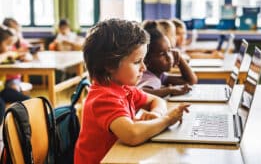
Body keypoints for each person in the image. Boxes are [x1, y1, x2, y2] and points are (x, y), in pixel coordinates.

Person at [74, 19, 190, 163]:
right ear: (110, 65)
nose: (144, 68)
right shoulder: (103, 97)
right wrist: (166, 119)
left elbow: (156, 100)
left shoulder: (124, 88)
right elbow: (132, 135)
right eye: (137, 62)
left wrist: (155, 114)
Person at [137, 20, 197, 97]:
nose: (169, 57)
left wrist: (180, 58)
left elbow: (190, 81)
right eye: (162, 54)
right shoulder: (147, 78)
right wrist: (169, 90)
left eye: (169, 51)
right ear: (146, 60)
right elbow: (140, 93)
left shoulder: (159, 75)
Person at [0, 26, 30, 112]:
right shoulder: (5, 55)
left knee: (27, 100)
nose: (10, 47)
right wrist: (6, 54)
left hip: (2, 90)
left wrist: (24, 56)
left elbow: (19, 55)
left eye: (11, 45)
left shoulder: (7, 53)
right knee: (1, 106)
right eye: (8, 44)